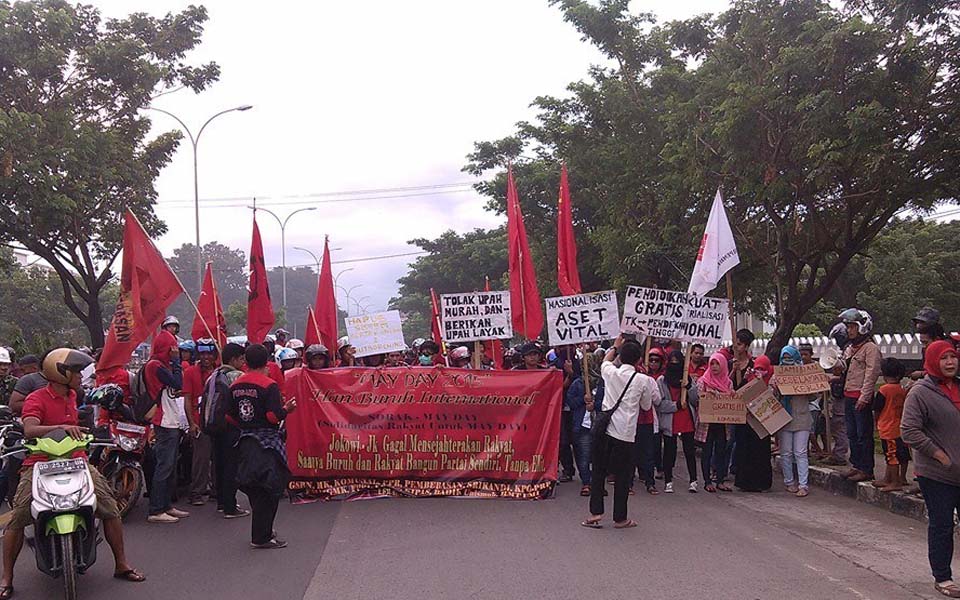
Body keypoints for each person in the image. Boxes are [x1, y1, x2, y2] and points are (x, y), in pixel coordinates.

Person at [1, 349, 145, 598]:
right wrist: (62, 427)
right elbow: (30, 429)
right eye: (76, 371)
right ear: (61, 373)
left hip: (77, 461)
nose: (80, 376)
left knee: (109, 508)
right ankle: (6, 578)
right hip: (39, 462)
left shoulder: (73, 395)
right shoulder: (36, 398)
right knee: (18, 517)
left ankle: (121, 563)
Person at [901, 341, 960, 598]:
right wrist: (940, 456)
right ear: (933, 361)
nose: (950, 362)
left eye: (953, 357)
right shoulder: (920, 392)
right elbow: (909, 430)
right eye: (944, 358)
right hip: (937, 474)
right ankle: (943, 577)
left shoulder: (958, 386)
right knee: (942, 524)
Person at [582, 336, 656, 529]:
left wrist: (614, 346)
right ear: (639, 360)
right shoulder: (643, 380)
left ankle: (595, 514)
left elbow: (605, 361)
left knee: (598, 471)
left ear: (621, 357)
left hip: (604, 429)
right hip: (625, 432)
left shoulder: (610, 372)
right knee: (623, 476)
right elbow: (647, 405)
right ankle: (620, 518)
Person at [228, 344, 297, 549]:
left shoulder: (236, 385)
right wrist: (287, 409)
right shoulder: (269, 385)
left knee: (255, 488)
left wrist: (245, 426)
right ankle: (262, 537)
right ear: (267, 361)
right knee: (270, 488)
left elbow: (228, 416)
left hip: (245, 440)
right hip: (267, 441)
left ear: (246, 362)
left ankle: (262, 530)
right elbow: (273, 416)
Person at [145, 330, 190, 524]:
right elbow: (178, 383)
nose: (175, 351)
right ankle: (156, 509)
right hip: (163, 420)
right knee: (164, 466)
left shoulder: (160, 365)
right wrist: (176, 362)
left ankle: (166, 505)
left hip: (170, 418)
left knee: (169, 465)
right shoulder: (155, 366)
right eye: (172, 348)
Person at [205, 343, 249, 518]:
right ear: (233, 359)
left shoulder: (213, 375)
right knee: (232, 466)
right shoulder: (237, 376)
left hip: (214, 426)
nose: (243, 362)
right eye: (241, 358)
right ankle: (231, 507)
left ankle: (222, 502)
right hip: (231, 426)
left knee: (219, 464)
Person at [839, 308, 881, 483]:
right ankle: (856, 465)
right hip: (848, 393)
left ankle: (866, 468)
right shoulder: (850, 349)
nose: (849, 330)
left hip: (860, 395)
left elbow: (871, 374)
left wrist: (865, 396)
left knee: (863, 433)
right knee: (852, 433)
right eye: (848, 327)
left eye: (852, 327)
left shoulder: (870, 349)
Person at [732, 329, 773, 492]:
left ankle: (760, 481)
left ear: (747, 346)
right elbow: (731, 387)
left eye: (740, 344)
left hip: (757, 414)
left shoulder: (754, 365)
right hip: (741, 414)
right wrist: (733, 371)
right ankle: (744, 480)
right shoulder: (732, 365)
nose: (736, 347)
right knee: (743, 446)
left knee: (759, 447)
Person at [656, 350, 699, 493]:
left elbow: (695, 400)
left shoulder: (688, 378)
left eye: (677, 361)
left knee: (689, 451)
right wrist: (676, 406)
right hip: (671, 420)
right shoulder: (662, 381)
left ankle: (693, 480)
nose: (675, 364)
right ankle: (668, 481)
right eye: (672, 361)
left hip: (686, 418)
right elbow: (660, 404)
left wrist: (689, 387)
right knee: (669, 451)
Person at [775, 346, 814, 498]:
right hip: (784, 418)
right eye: (784, 358)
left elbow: (814, 396)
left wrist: (807, 388)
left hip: (802, 418)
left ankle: (803, 485)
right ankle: (789, 482)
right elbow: (773, 396)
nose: (787, 361)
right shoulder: (777, 375)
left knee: (800, 452)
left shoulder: (805, 374)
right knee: (786, 453)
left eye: (789, 357)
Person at [183, 339, 218, 506]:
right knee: (201, 459)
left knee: (218, 458)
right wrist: (191, 423)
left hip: (218, 421)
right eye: (202, 354)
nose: (206, 357)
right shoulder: (190, 372)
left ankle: (216, 490)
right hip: (199, 421)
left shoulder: (220, 372)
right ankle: (196, 492)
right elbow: (187, 399)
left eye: (209, 354)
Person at [697, 352, 733, 493]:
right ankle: (707, 481)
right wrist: (705, 397)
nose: (714, 367)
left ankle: (720, 480)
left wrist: (732, 396)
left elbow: (732, 399)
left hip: (722, 424)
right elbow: (696, 399)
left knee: (721, 451)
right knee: (706, 451)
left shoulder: (728, 382)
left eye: (717, 363)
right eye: (712, 363)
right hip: (707, 423)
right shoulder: (703, 381)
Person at [873, 357, 910, 492]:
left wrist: (876, 422)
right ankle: (900, 478)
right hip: (900, 426)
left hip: (888, 427)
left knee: (891, 456)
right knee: (903, 454)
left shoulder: (883, 390)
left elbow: (877, 409)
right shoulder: (902, 389)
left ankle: (894, 482)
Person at [565, 357, 593, 496]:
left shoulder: (604, 382)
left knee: (598, 457)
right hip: (582, 425)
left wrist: (595, 403)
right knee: (584, 456)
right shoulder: (578, 383)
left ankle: (596, 481)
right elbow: (570, 401)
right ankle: (586, 482)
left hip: (600, 425)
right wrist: (583, 399)